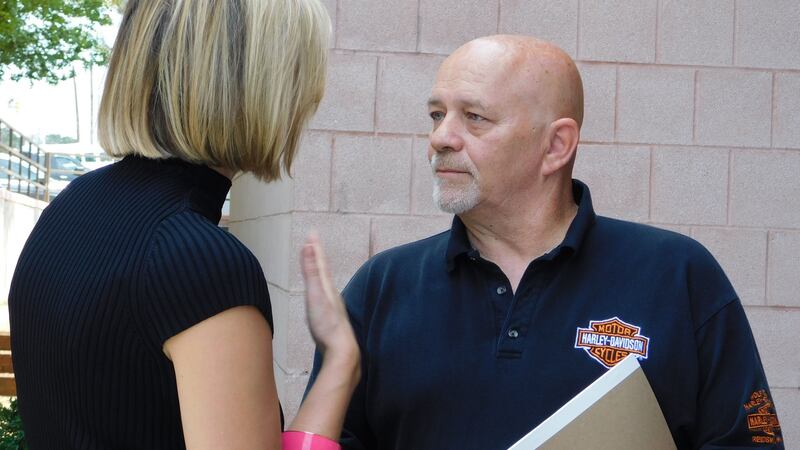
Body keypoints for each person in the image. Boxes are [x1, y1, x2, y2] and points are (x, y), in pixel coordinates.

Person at [306, 35, 784, 449]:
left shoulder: (679, 276)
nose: (441, 137)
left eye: (474, 117)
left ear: (556, 146)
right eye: (436, 114)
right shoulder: (381, 288)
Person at [9, 1, 359, 449]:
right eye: (300, 73)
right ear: (257, 86)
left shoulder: (74, 204)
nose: (311, 98)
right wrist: (341, 364)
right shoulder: (200, 264)